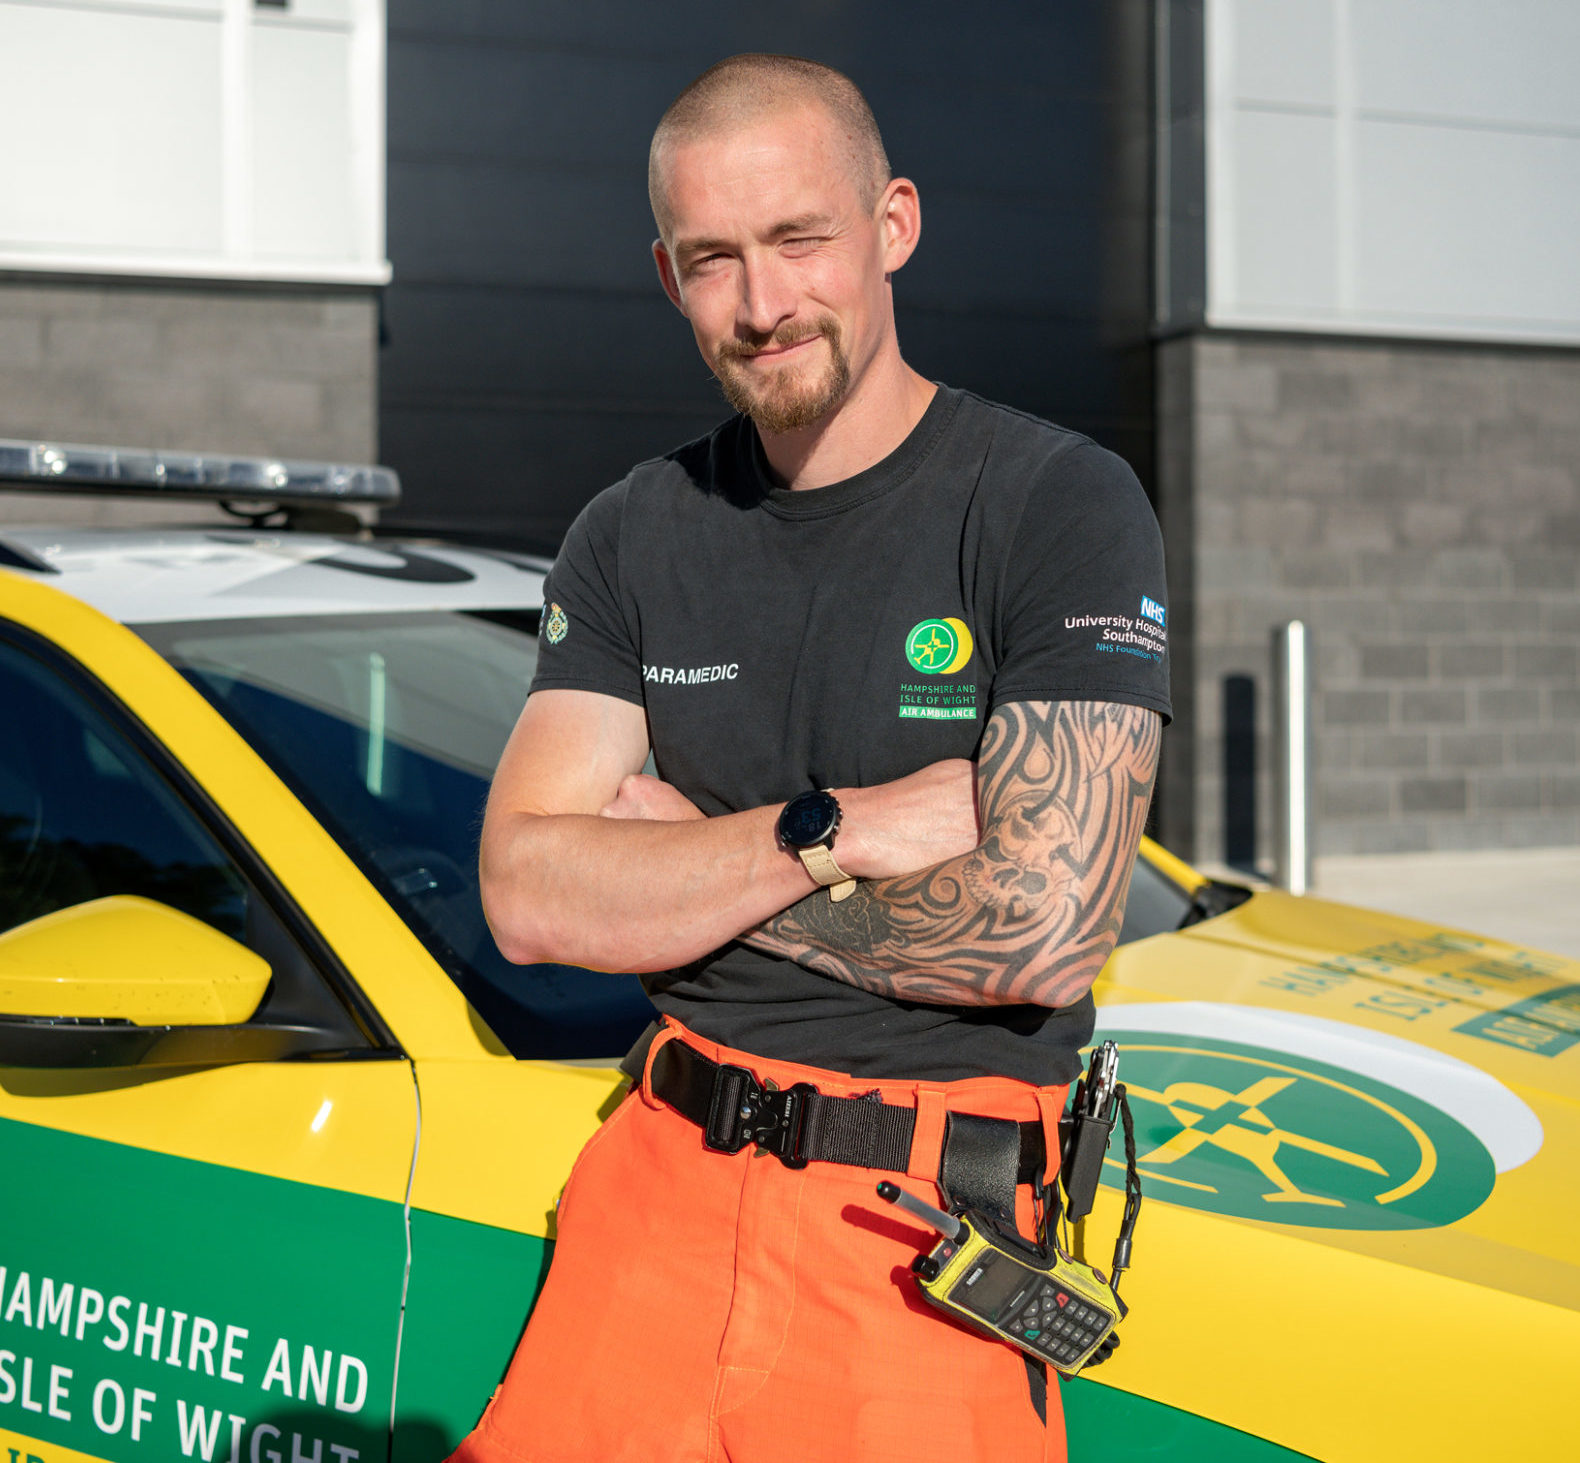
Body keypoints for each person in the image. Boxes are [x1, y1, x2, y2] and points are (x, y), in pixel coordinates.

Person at [453, 52, 1169, 1463]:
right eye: (713, 260)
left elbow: (1041, 929)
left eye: (799, 240)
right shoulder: (631, 532)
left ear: (892, 225)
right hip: (651, 1194)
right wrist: (820, 833)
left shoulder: (1054, 504)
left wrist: (678, 871)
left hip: (922, 1245)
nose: (763, 303)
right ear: (668, 276)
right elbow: (531, 897)